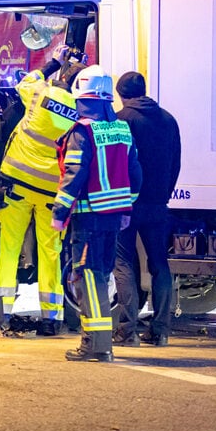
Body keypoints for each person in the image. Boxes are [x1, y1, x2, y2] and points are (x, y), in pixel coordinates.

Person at [0, 44, 86, 336]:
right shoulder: (79, 109)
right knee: (51, 253)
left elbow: (24, 81)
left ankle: (1, 313)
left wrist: (53, 62)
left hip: (19, 184)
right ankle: (51, 319)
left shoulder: (40, 93)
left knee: (9, 249)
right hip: (50, 191)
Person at [52, 65, 141, 362]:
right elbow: (135, 174)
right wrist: (126, 207)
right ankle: (100, 344)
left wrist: (60, 211)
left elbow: (74, 174)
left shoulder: (82, 132)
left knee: (87, 277)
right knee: (101, 275)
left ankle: (97, 345)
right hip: (115, 217)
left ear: (82, 97)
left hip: (88, 218)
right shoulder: (121, 129)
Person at [112, 71, 181, 348]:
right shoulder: (168, 119)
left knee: (124, 263)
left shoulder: (120, 120)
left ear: (121, 94)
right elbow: (176, 162)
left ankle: (127, 332)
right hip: (157, 204)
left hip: (127, 202)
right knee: (159, 264)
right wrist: (164, 193)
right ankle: (161, 330)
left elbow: (117, 164)